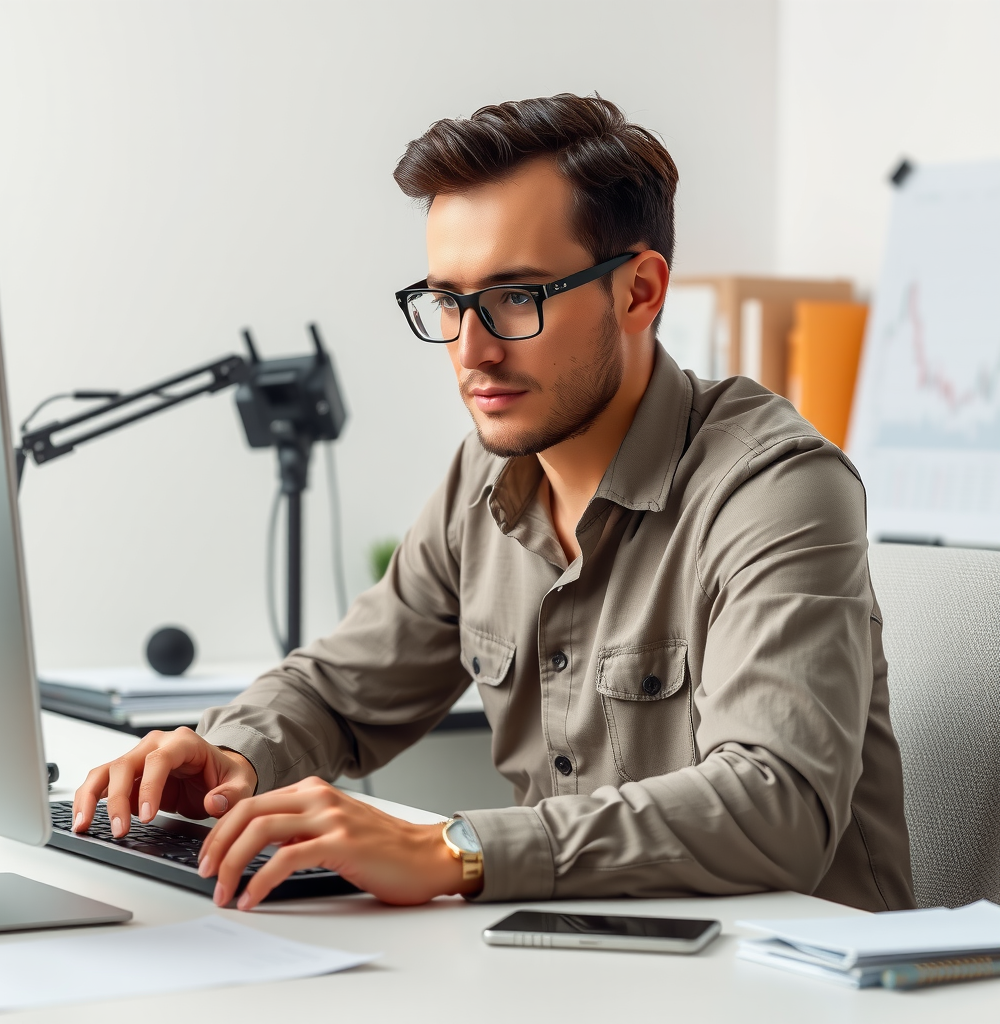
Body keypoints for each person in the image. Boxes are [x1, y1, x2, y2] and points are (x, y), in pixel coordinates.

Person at [73, 93, 915, 914]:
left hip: (782, 985)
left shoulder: (776, 488)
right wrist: (230, 755)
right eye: (448, 300)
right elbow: (340, 688)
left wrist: (453, 851)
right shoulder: (486, 477)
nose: (471, 350)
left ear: (640, 292)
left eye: (517, 297)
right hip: (570, 967)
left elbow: (778, 807)